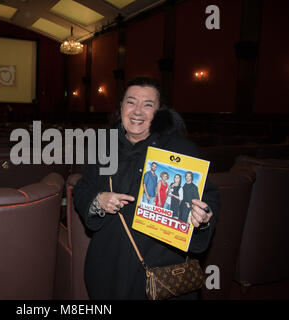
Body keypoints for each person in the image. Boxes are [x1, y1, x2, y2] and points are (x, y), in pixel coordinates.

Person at [72, 77, 220, 300]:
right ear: (121, 108)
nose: (137, 111)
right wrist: (98, 200)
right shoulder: (104, 146)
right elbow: (82, 189)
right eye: (131, 102)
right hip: (108, 265)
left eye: (148, 104)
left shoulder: (181, 149)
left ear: (159, 113)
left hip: (160, 268)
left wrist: (203, 216)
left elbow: (209, 198)